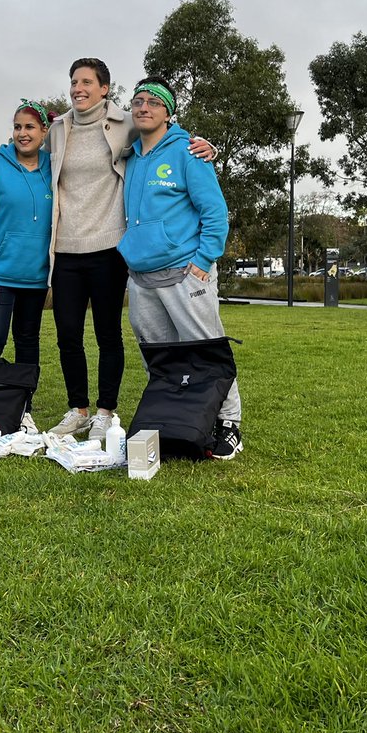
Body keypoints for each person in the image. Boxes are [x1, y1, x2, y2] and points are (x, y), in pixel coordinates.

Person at [45, 58, 215, 441]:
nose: (78, 89)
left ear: (104, 88)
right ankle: (77, 410)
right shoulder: (58, 129)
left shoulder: (126, 122)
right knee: (68, 335)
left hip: (109, 248)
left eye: (86, 82)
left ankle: (105, 412)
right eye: (74, 82)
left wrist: (207, 145)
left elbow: (165, 133)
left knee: (108, 335)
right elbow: (28, 152)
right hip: (66, 249)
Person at [117, 77, 242, 460]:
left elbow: (215, 212)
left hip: (186, 273)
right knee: (159, 359)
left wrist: (204, 260)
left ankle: (229, 424)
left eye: (153, 102)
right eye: (138, 101)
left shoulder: (188, 151)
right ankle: (175, 422)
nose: (143, 107)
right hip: (141, 276)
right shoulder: (130, 156)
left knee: (206, 351)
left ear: (169, 113)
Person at [0, 99, 54, 433]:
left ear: (44, 131)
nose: (22, 133)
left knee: (28, 343)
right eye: (17, 127)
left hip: (36, 278)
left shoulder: (54, 168)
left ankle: (23, 408)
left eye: (30, 127)